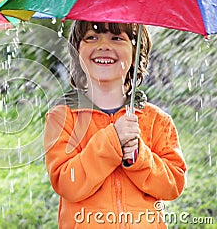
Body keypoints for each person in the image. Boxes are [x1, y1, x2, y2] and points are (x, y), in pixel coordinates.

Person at [43, 21, 187, 228]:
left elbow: (173, 185)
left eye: (117, 38)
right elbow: (68, 183)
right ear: (77, 51)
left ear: (136, 52)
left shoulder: (157, 120)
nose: (103, 45)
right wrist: (112, 141)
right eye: (91, 37)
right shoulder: (63, 117)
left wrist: (139, 157)